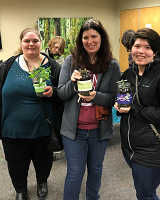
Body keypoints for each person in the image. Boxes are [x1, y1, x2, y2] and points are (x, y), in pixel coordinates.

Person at [0, 28, 63, 200]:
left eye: (35, 40)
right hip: (12, 130)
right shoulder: (7, 66)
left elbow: (64, 92)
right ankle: (20, 189)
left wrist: (54, 92)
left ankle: (42, 182)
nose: (31, 44)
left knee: (43, 161)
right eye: (27, 41)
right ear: (21, 43)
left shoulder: (53, 66)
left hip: (43, 128)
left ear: (41, 43)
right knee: (16, 163)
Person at [114, 28, 160, 199]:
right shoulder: (129, 73)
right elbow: (126, 100)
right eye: (137, 46)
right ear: (131, 48)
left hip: (153, 150)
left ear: (155, 51)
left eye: (147, 47)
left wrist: (134, 109)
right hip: (129, 146)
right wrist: (121, 106)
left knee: (145, 194)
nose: (141, 51)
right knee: (143, 192)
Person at [57, 18, 121, 200]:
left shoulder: (112, 65)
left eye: (94, 36)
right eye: (86, 37)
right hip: (74, 130)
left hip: (99, 129)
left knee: (95, 169)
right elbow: (61, 94)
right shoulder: (71, 62)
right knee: (75, 172)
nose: (90, 41)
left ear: (102, 38)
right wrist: (72, 82)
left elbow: (115, 98)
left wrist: (96, 96)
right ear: (81, 40)